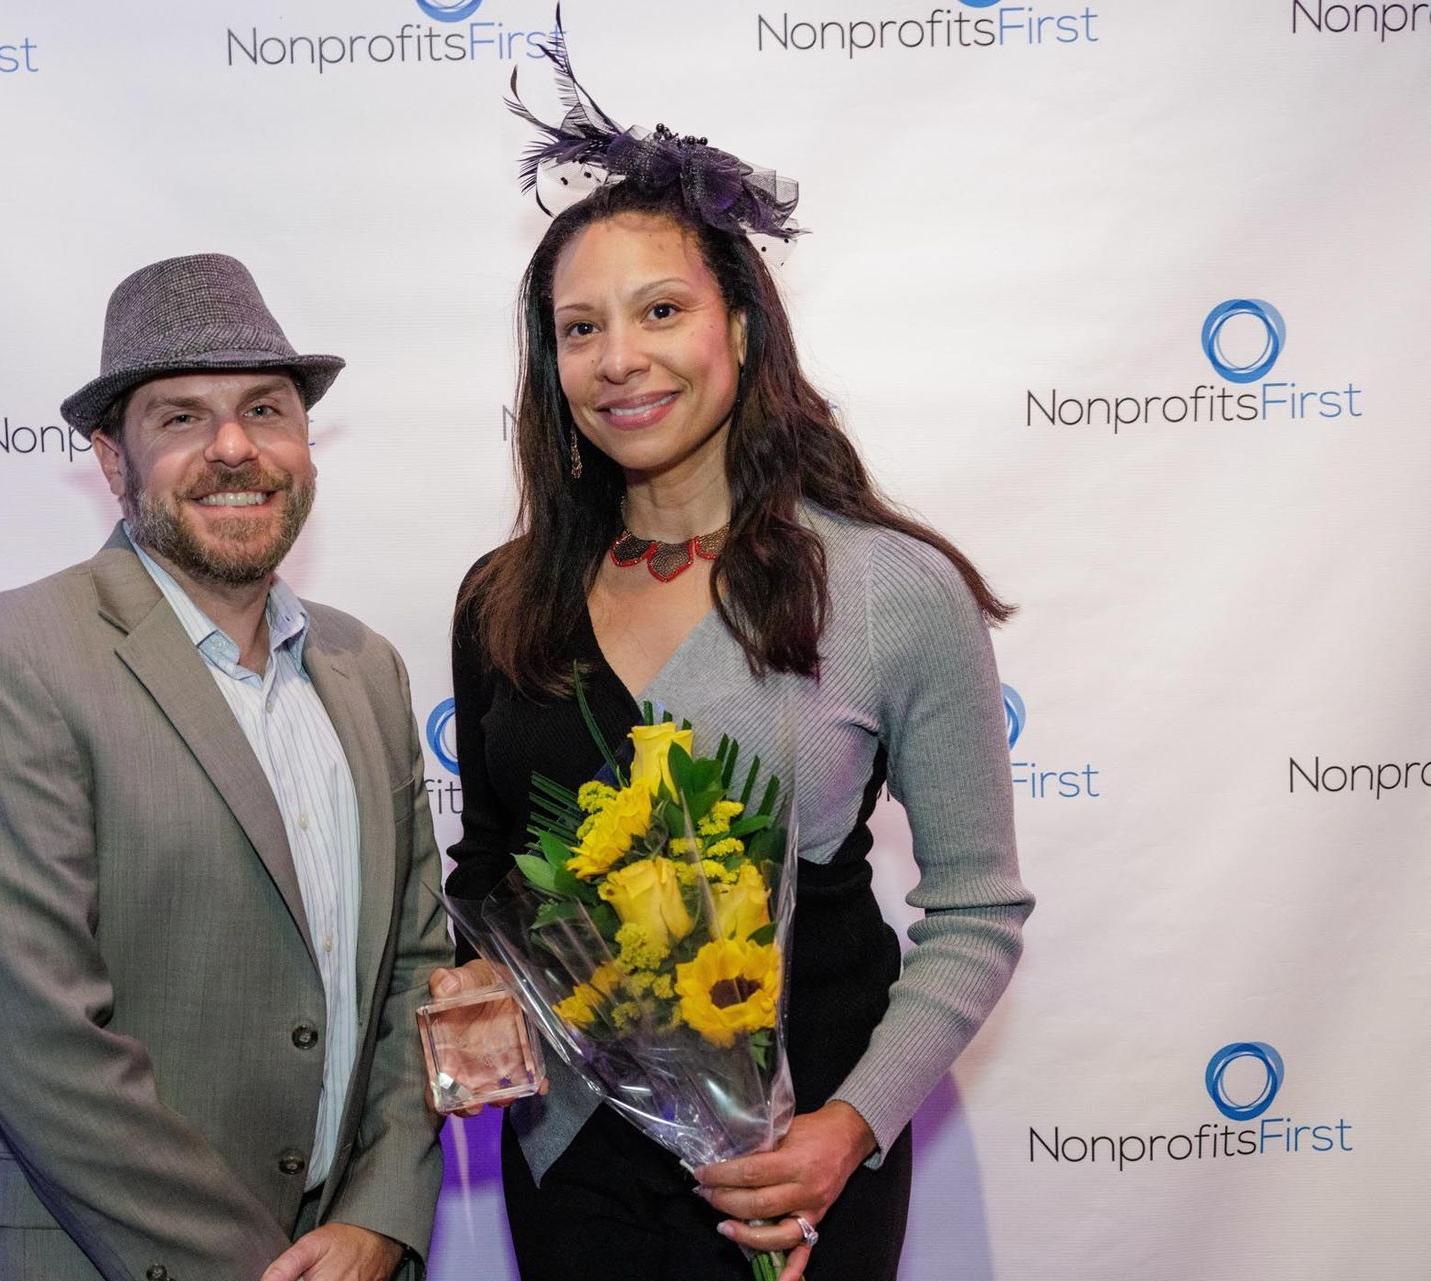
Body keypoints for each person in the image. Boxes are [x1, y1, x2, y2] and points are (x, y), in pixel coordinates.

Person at [428, 41, 1035, 1281]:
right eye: (580, 328)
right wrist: (472, 993)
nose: (619, 358)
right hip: (572, 1171)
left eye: (661, 311)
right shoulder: (505, 598)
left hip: (797, 1175)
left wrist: (847, 1130)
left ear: (743, 330)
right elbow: (490, 870)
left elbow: (977, 914)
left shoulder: (888, 588)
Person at [0, 253, 452, 1281]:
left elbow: (417, 970)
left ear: (306, 443)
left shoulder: (366, 668)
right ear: (113, 460)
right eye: (182, 418)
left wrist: (381, 1216)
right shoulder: (7, 661)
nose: (234, 447)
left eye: (265, 410)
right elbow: (37, 1038)